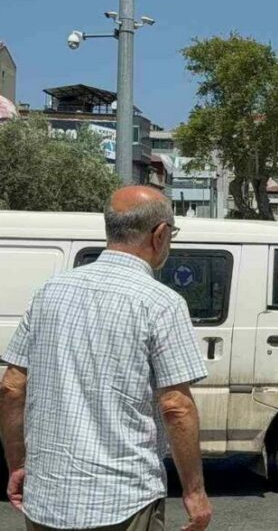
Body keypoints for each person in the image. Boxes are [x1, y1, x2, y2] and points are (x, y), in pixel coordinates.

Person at [0, 186, 212, 531]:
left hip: (47, 499)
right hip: (123, 501)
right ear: (159, 235)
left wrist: (18, 465)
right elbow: (176, 407)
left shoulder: (49, 292)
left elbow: (11, 387)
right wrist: (195, 492)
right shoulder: (161, 303)